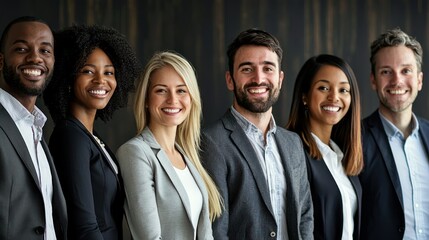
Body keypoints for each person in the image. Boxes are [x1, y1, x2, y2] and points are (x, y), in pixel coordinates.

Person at [200, 28, 313, 240]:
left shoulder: (292, 142)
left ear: (280, 79)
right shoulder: (211, 141)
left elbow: (305, 217)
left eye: (268, 68)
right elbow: (216, 228)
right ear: (230, 80)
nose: (258, 78)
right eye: (246, 69)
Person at [43, 25, 140, 239]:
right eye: (88, 71)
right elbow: (83, 226)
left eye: (109, 72)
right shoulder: (71, 137)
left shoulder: (90, 136)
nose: (100, 80)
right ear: (68, 78)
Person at [116, 51, 223, 240]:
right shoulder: (135, 153)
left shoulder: (186, 156)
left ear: (191, 98)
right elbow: (148, 237)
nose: (173, 99)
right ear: (147, 100)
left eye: (181, 90)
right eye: (161, 90)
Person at [0, 16, 67, 240]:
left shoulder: (36, 128)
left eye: (45, 51)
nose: (35, 57)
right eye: (21, 48)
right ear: (1, 61)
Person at [359, 28, 429, 240]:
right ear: (373, 80)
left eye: (406, 70)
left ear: (419, 80)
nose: (397, 81)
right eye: (386, 72)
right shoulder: (354, 139)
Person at [286, 54, 363, 239]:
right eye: (324, 88)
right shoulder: (293, 152)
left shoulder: (341, 155)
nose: (334, 97)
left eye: (343, 90)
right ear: (304, 96)